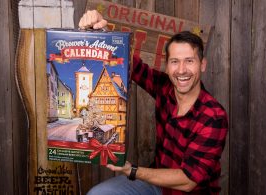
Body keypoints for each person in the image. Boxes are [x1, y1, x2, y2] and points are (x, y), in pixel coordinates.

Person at [79, 10, 228, 195]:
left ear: (202, 64)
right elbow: (130, 64)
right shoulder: (165, 87)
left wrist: (132, 170)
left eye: (189, 61)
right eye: (175, 61)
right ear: (167, 65)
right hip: (157, 186)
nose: (182, 70)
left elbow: (187, 181)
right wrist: (102, 30)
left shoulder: (213, 116)